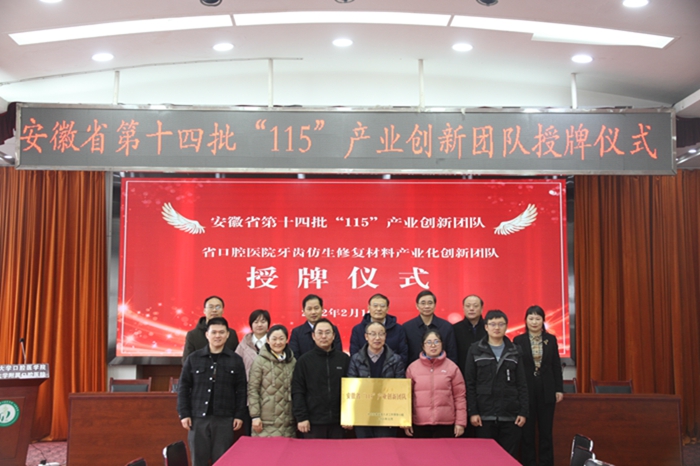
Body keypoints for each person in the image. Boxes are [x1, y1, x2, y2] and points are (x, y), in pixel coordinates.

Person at [177, 317, 246, 466]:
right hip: (197, 418)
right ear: (207, 334)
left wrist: (239, 415)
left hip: (224, 419)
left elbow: (241, 390)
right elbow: (183, 387)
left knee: (222, 461)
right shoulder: (193, 358)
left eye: (221, 332)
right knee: (198, 461)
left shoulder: (235, 360)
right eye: (214, 332)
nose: (217, 336)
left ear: (227, 335)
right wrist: (184, 413)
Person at [465, 310, 529, 460]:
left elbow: (522, 384)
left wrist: (523, 412)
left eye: (501, 324)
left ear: (506, 327)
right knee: (486, 458)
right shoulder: (475, 350)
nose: (497, 328)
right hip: (484, 415)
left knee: (508, 458)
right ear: (486, 327)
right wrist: (473, 412)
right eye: (493, 324)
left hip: (510, 415)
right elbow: (470, 383)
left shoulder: (515, 350)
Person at [513, 305, 564, 466]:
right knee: (527, 432)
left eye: (537, 318)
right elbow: (516, 367)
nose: (534, 322)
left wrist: (559, 389)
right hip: (526, 389)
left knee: (545, 431)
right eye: (531, 318)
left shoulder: (551, 340)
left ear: (543, 321)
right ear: (526, 320)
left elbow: (556, 365)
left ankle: (546, 463)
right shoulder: (519, 340)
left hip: (547, 388)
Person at [292, 317, 350, 439]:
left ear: (333, 336)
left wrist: (349, 416)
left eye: (327, 332)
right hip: (313, 423)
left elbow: (351, 391)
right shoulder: (304, 361)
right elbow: (298, 391)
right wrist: (301, 417)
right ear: (313, 336)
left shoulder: (344, 359)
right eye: (320, 333)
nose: (324, 336)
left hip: (339, 422)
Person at [347, 321, 406, 438]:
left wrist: (403, 416)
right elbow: (350, 388)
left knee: (384, 447)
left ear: (385, 336)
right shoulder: (356, 359)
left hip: (387, 415)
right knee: (364, 447)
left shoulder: (396, 360)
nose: (377, 338)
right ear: (366, 337)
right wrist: (348, 416)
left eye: (381, 334)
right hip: (362, 414)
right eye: (373, 334)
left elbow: (401, 389)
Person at [404, 329, 466, 438]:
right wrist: (405, 421)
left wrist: (460, 422)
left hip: (446, 423)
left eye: (436, 342)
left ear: (442, 344)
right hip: (419, 424)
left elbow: (459, 396)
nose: (433, 345)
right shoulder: (412, 368)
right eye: (429, 342)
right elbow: (406, 397)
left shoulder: (452, 367)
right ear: (423, 346)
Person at [247, 324, 297, 438]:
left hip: (288, 421)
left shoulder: (292, 361)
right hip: (265, 421)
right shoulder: (260, 361)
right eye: (274, 339)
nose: (278, 342)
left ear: (287, 340)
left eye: (281, 338)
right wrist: (255, 416)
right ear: (268, 340)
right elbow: (253, 390)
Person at [402, 290, 458, 365]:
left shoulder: (446, 327)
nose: (427, 306)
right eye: (423, 303)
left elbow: (452, 354)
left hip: (442, 369)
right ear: (417, 305)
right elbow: (404, 354)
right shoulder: (407, 327)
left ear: (435, 305)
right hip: (415, 370)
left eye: (430, 303)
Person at [349, 293, 408, 363]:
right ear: (369, 308)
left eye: (382, 306)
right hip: (364, 368)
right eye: (375, 306)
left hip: (392, 368)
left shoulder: (398, 329)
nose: (379, 309)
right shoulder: (358, 329)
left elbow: (403, 354)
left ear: (387, 309)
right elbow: (354, 354)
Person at [182, 295, 239, 363]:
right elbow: (187, 362)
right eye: (211, 307)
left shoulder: (231, 334)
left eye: (218, 307)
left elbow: (236, 360)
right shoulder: (193, 335)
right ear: (204, 310)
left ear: (223, 310)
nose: (214, 310)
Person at [289, 294, 342, 359]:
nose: (313, 312)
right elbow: (294, 356)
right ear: (304, 311)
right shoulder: (297, 332)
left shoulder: (332, 329)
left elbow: (338, 353)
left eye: (316, 308)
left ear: (322, 309)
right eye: (309, 309)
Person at [453, 294, 487, 374]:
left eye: (475, 306)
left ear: (482, 309)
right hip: (461, 372)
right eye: (468, 306)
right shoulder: (454, 329)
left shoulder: (489, 328)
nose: (471, 309)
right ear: (463, 308)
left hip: (485, 373)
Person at [235, 309, 270, 377]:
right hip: (248, 382)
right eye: (256, 322)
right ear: (251, 324)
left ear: (268, 323)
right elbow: (235, 364)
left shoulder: (274, 343)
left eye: (263, 322)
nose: (259, 325)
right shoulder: (243, 345)